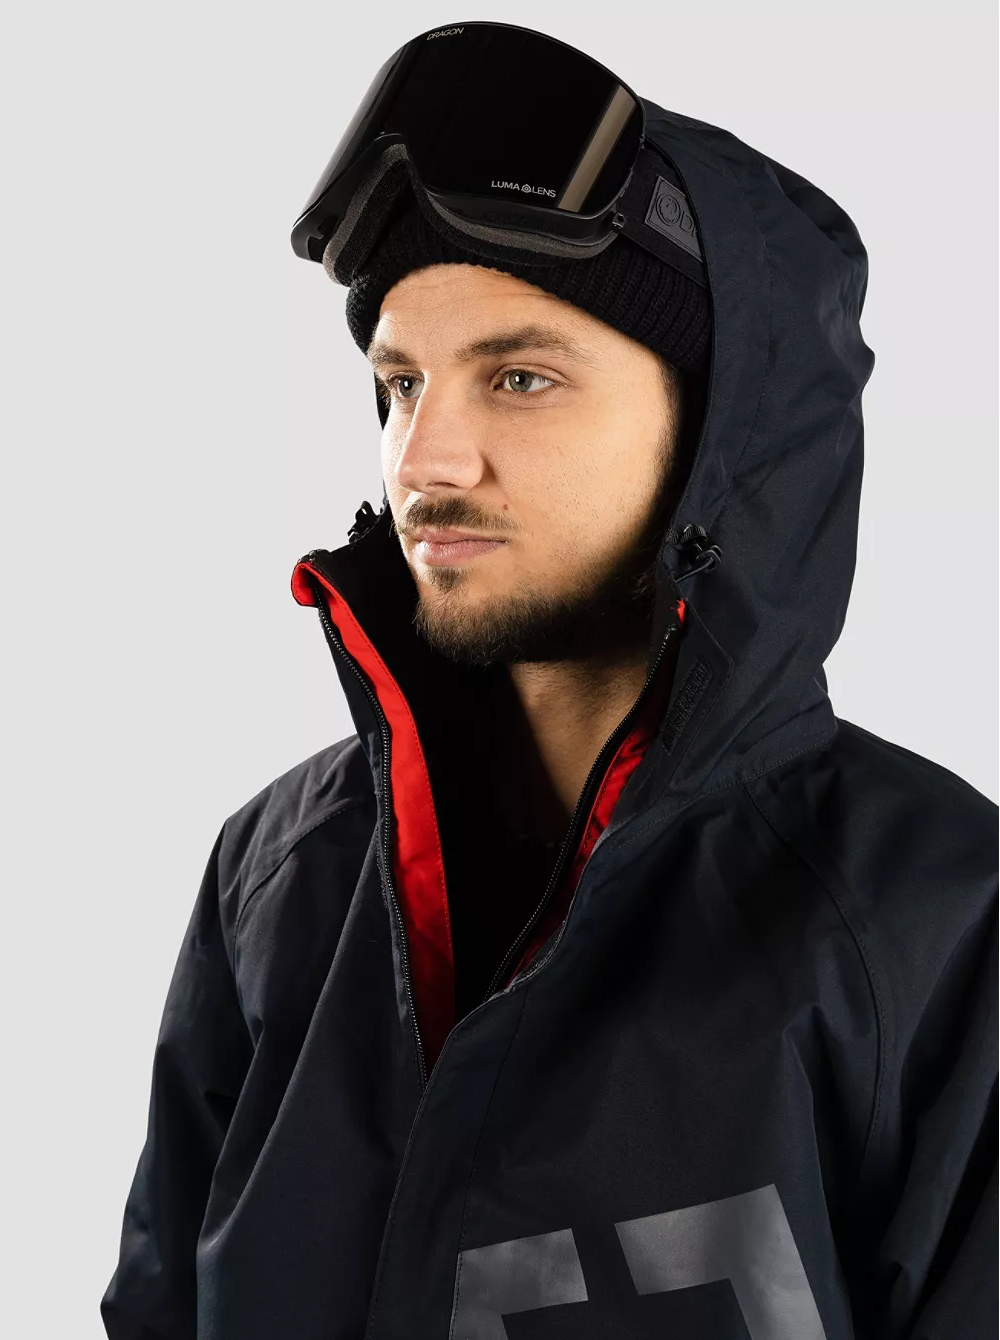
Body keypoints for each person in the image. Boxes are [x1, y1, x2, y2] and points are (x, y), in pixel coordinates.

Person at [101, 25, 997, 1340]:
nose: (425, 459)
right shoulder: (276, 877)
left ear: (723, 437)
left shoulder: (936, 910)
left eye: (520, 378)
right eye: (400, 383)